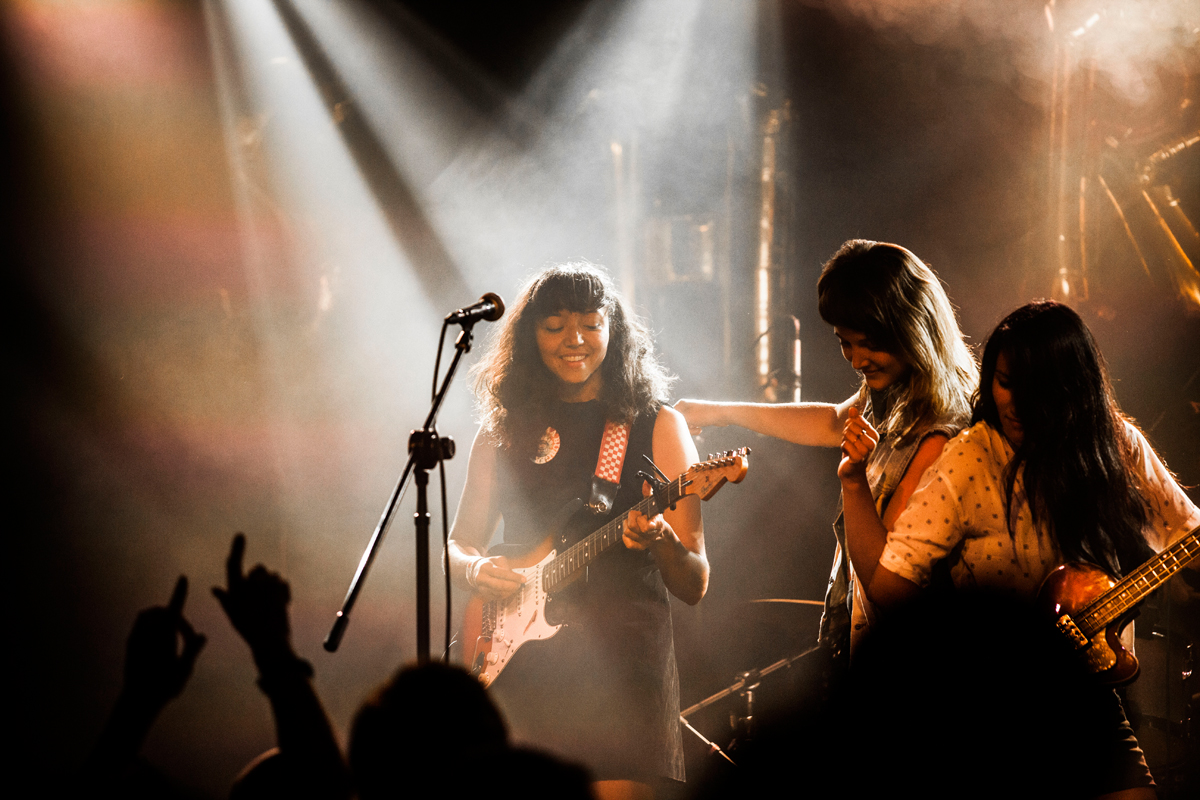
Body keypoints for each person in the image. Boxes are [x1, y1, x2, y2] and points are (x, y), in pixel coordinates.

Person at [846, 300, 1200, 797]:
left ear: (1071, 389)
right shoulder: (968, 458)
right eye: (1005, 382)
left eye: (1035, 388)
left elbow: (1188, 535)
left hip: (1086, 700)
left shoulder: (1115, 444)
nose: (1014, 402)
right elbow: (889, 586)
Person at [447, 262, 707, 800]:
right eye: (555, 325)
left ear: (614, 330)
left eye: (591, 324)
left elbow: (695, 582)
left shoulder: (658, 426)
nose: (575, 340)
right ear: (530, 335)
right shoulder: (501, 433)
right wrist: (475, 569)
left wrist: (662, 542)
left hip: (623, 668)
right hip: (522, 662)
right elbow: (458, 543)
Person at [675, 239, 976, 658]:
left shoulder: (942, 435)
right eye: (844, 343)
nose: (855, 359)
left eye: (867, 343)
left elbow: (886, 577)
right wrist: (718, 412)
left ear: (912, 329)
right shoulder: (896, 388)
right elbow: (834, 421)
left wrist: (853, 481)